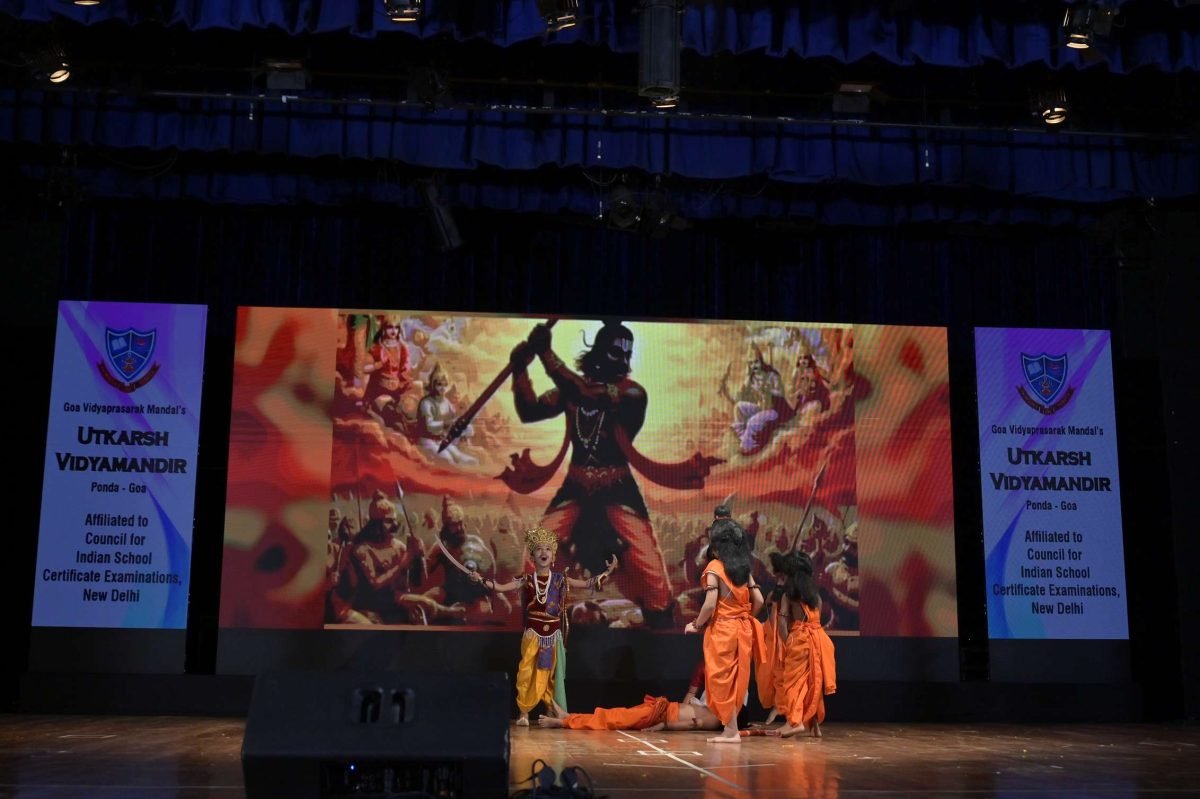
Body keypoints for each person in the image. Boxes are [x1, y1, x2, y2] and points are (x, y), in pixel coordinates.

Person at [470, 526, 618, 726]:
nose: (543, 552)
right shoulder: (527, 580)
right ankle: (523, 712)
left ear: (553, 556)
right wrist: (481, 579)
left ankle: (550, 711)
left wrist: (608, 572)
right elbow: (502, 587)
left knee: (549, 676)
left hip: (552, 636)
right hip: (532, 634)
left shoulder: (560, 579)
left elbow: (587, 584)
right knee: (526, 673)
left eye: (548, 549)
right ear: (532, 556)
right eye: (539, 549)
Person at [683, 518, 765, 744]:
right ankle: (731, 730)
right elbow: (759, 600)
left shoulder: (715, 568)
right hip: (743, 630)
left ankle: (731, 731)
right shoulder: (744, 570)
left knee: (721, 680)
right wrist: (745, 618)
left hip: (723, 631)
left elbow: (710, 604)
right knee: (737, 680)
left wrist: (696, 625)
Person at [777, 551, 837, 738]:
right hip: (818, 640)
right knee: (813, 683)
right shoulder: (815, 596)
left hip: (800, 640)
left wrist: (788, 641)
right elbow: (817, 620)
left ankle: (794, 723)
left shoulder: (789, 595)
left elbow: (782, 622)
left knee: (792, 683)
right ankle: (814, 727)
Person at [538, 694, 722, 731]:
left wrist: (662, 725)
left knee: (614, 719)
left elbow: (691, 723)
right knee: (615, 714)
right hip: (659, 708)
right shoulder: (716, 707)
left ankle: (562, 722)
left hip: (659, 715)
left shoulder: (716, 718)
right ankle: (568, 717)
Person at [753, 552, 790, 728]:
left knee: (782, 675)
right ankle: (776, 706)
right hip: (769, 637)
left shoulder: (791, 593)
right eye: (778, 577)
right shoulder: (773, 591)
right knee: (765, 676)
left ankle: (782, 709)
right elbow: (768, 611)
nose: (779, 581)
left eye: (782, 577)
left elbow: (783, 621)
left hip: (783, 637)